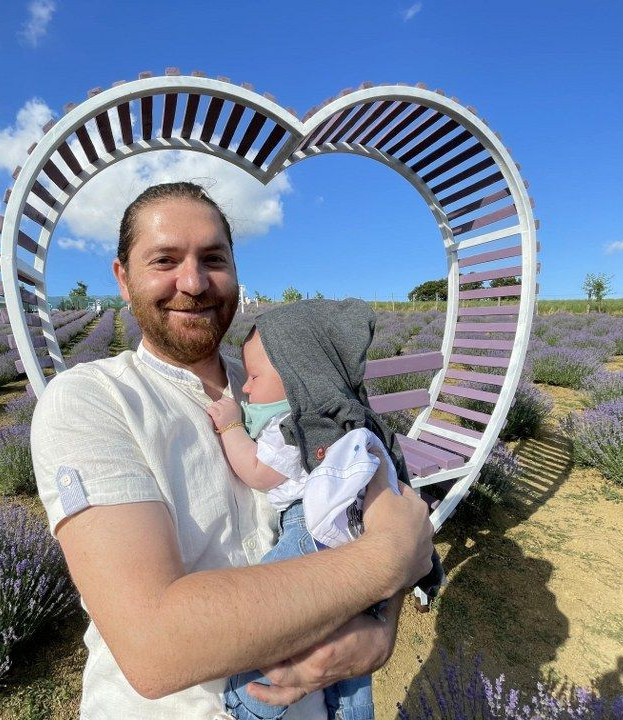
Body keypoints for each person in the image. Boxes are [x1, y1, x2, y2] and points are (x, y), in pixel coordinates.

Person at [31, 182, 434, 720]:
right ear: (123, 279)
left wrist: (383, 627)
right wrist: (389, 563)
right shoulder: (91, 401)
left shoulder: (281, 386)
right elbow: (157, 647)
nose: (193, 283)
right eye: (165, 260)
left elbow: (379, 510)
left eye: (213, 259)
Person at [207, 299, 438, 720]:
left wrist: (230, 426)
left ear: (298, 377)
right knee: (350, 655)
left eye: (255, 377)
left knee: (272, 606)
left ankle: (248, 701)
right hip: (354, 537)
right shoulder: (348, 422)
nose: (245, 387)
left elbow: (258, 472)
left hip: (309, 528)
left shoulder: (294, 426)